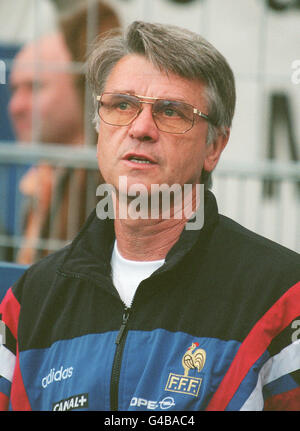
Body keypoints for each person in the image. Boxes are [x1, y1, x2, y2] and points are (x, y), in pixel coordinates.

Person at [0, 21, 300, 412]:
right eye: (122, 105)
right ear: (98, 126)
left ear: (215, 147)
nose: (140, 128)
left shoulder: (281, 294)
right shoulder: (30, 301)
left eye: (171, 112)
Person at [8, 1, 120, 264]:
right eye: (13, 90)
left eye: (33, 87)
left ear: (82, 85)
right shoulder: (45, 181)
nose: (15, 106)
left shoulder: (108, 190)